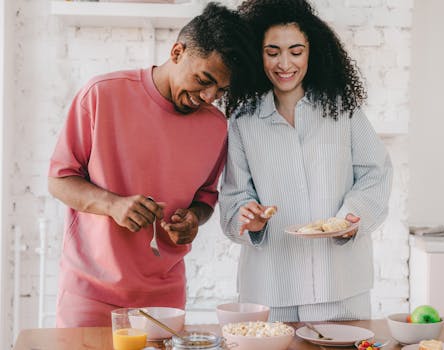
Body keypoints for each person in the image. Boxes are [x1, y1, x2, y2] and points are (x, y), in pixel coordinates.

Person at [48, 3, 257, 327]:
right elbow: (60, 179)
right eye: (204, 80)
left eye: (221, 90)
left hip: (164, 300)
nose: (209, 96)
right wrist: (113, 205)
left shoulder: (216, 127)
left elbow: (205, 198)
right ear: (177, 51)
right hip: (89, 292)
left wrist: (193, 220)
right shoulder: (101, 94)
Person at [219, 0, 393, 322]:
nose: (284, 63)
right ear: (258, 54)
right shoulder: (244, 121)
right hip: (270, 289)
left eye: (295, 51)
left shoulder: (342, 110)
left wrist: (349, 219)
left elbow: (375, 173)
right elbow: (234, 198)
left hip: (339, 285)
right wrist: (249, 219)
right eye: (272, 52)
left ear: (312, 51)